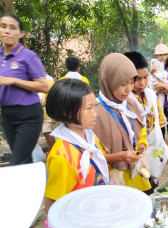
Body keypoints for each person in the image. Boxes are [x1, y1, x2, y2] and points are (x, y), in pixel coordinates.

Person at [44, 79, 109, 213]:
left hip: (96, 210)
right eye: (89, 108)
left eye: (94, 107)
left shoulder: (90, 137)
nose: (95, 113)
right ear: (67, 112)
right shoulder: (61, 157)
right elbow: (52, 204)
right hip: (80, 222)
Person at [93, 53, 151, 192]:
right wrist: (119, 158)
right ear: (109, 81)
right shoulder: (96, 113)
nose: (129, 89)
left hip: (135, 175)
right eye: (123, 84)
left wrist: (141, 147)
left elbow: (141, 133)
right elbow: (94, 154)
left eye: (131, 82)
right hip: (113, 177)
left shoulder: (130, 104)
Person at [0, 13, 49, 165]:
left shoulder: (28, 56)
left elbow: (44, 86)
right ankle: (32, 187)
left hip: (29, 116)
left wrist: (14, 80)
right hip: (8, 115)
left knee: (17, 162)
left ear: (21, 33)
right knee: (23, 160)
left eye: (12, 28)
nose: (7, 31)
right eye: (3, 26)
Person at [124, 51, 168, 189]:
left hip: (153, 148)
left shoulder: (151, 96)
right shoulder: (123, 101)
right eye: (137, 79)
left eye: (145, 77)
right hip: (133, 153)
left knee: (153, 183)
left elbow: (161, 125)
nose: (142, 83)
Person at [148, 43, 168, 111]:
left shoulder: (162, 63)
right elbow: (152, 70)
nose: (163, 57)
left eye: (165, 55)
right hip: (157, 80)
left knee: (161, 96)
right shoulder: (154, 61)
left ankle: (161, 113)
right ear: (156, 55)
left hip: (160, 80)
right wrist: (153, 70)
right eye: (161, 55)